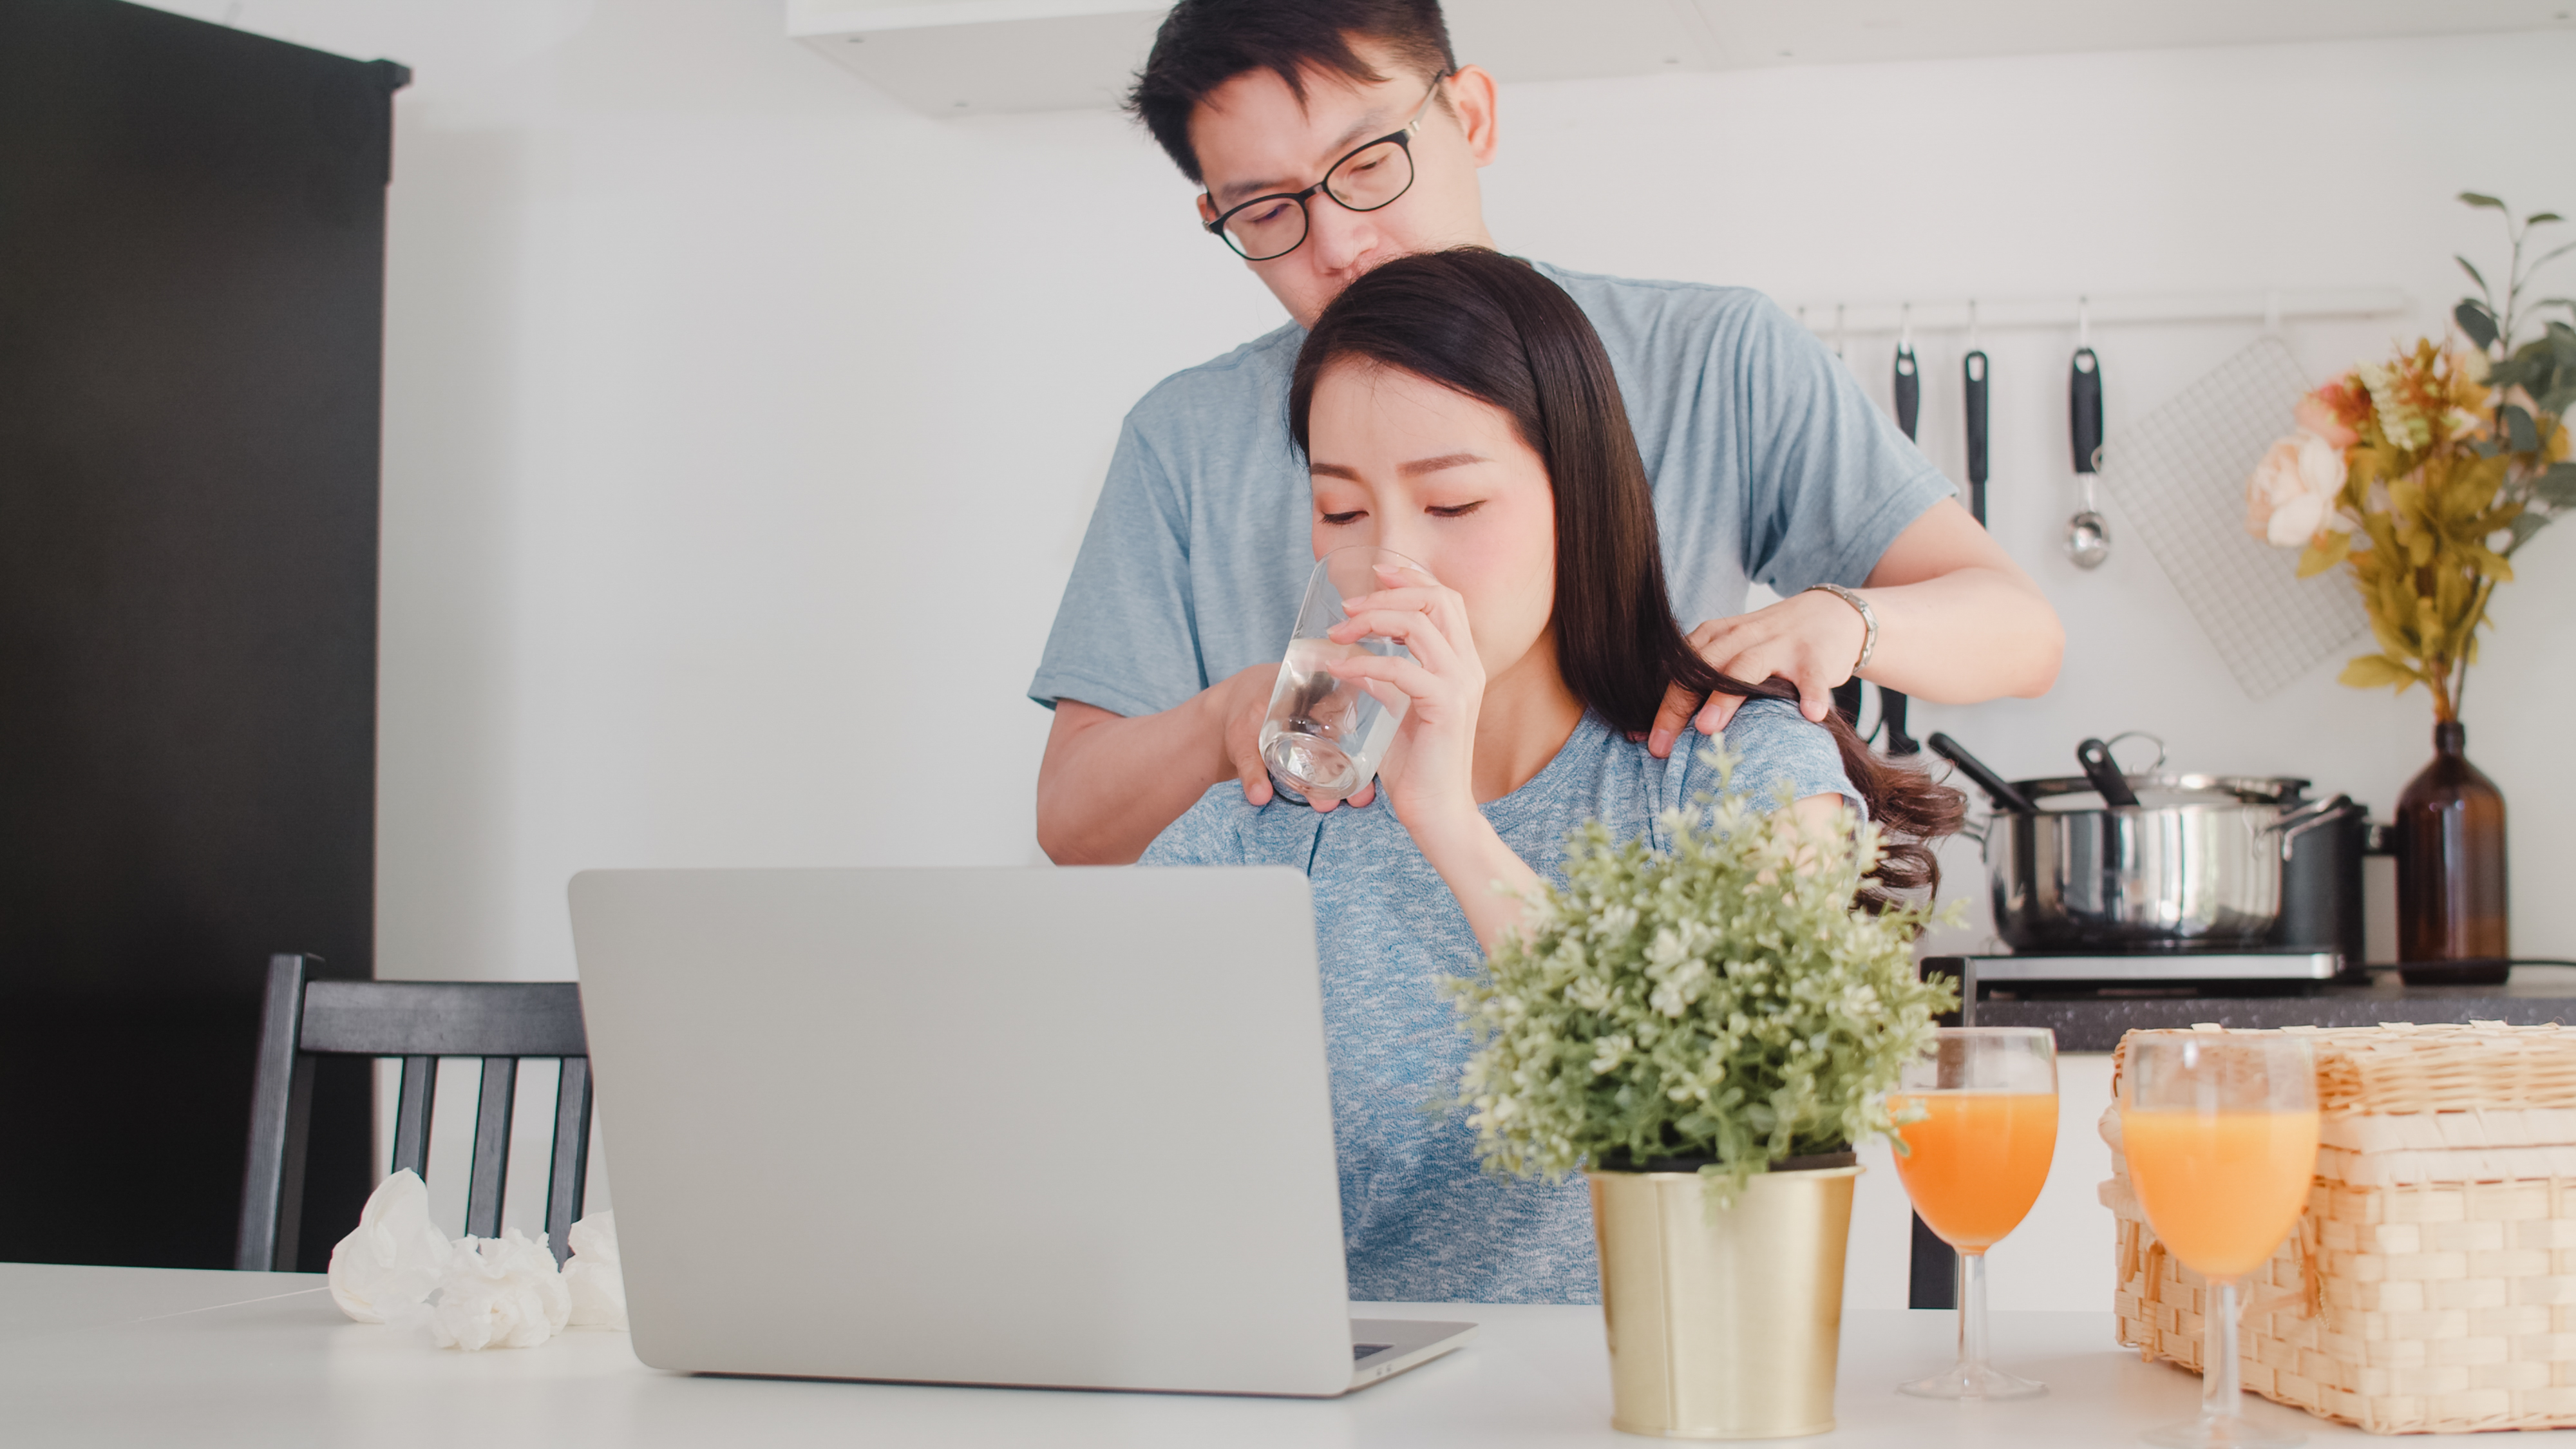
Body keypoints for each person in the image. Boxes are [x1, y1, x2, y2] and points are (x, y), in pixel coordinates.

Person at [1032, 0, 2061, 864]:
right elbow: (1074, 820)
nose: (1340, 242)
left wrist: (1846, 622)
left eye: (1368, 161)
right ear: (1216, 213)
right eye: (1267, 211)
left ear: (1470, 115)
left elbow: (2022, 632)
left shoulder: (1710, 354)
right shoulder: (1183, 441)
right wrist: (1232, 720)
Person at [1142, 248, 1964, 1303]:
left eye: (1451, 506)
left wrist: (1449, 821)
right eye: (1342, 514)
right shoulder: (1270, 823)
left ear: (1577, 496)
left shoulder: (1734, 771)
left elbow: (1709, 1117)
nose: (1393, 567)